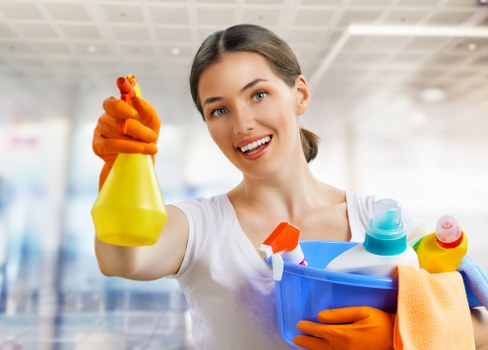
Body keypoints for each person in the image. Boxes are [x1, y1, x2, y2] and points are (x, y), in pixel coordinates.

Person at [92, 24, 488, 349]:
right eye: (219, 109)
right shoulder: (199, 227)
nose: (242, 123)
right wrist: (123, 163)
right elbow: (122, 260)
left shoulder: (380, 221)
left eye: (258, 94)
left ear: (299, 94)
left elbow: (480, 329)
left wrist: (397, 334)